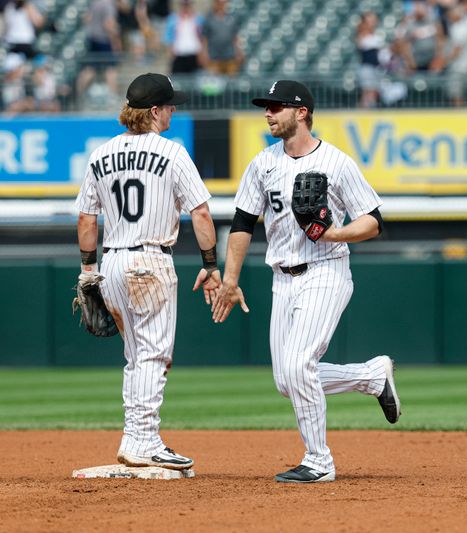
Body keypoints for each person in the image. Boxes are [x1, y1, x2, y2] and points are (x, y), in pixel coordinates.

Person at [211, 80, 401, 484]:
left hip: (326, 270)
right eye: (266, 107)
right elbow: (243, 223)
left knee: (299, 367)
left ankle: (319, 460)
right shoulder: (262, 163)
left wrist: (335, 233)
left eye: (276, 107)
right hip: (283, 279)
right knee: (287, 381)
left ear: (301, 113)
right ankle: (372, 377)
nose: (268, 113)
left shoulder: (337, 162)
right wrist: (230, 280)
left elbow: (374, 220)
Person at [76, 72, 221, 470]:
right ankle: (145, 440)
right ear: (155, 111)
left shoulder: (100, 154)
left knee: (135, 356)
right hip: (150, 261)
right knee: (154, 355)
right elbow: (202, 212)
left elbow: (88, 220)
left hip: (112, 262)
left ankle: (133, 437)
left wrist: (88, 270)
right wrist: (210, 265)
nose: (174, 109)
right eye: (170, 104)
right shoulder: (171, 152)